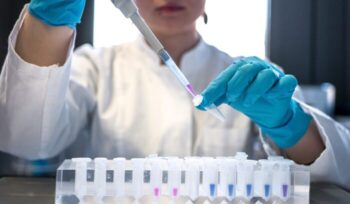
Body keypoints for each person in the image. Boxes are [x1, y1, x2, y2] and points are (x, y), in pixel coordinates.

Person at [0, 0, 349, 190]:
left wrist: (288, 125)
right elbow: (27, 140)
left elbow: (336, 172)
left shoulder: (248, 78)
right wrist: (48, 23)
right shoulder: (94, 68)